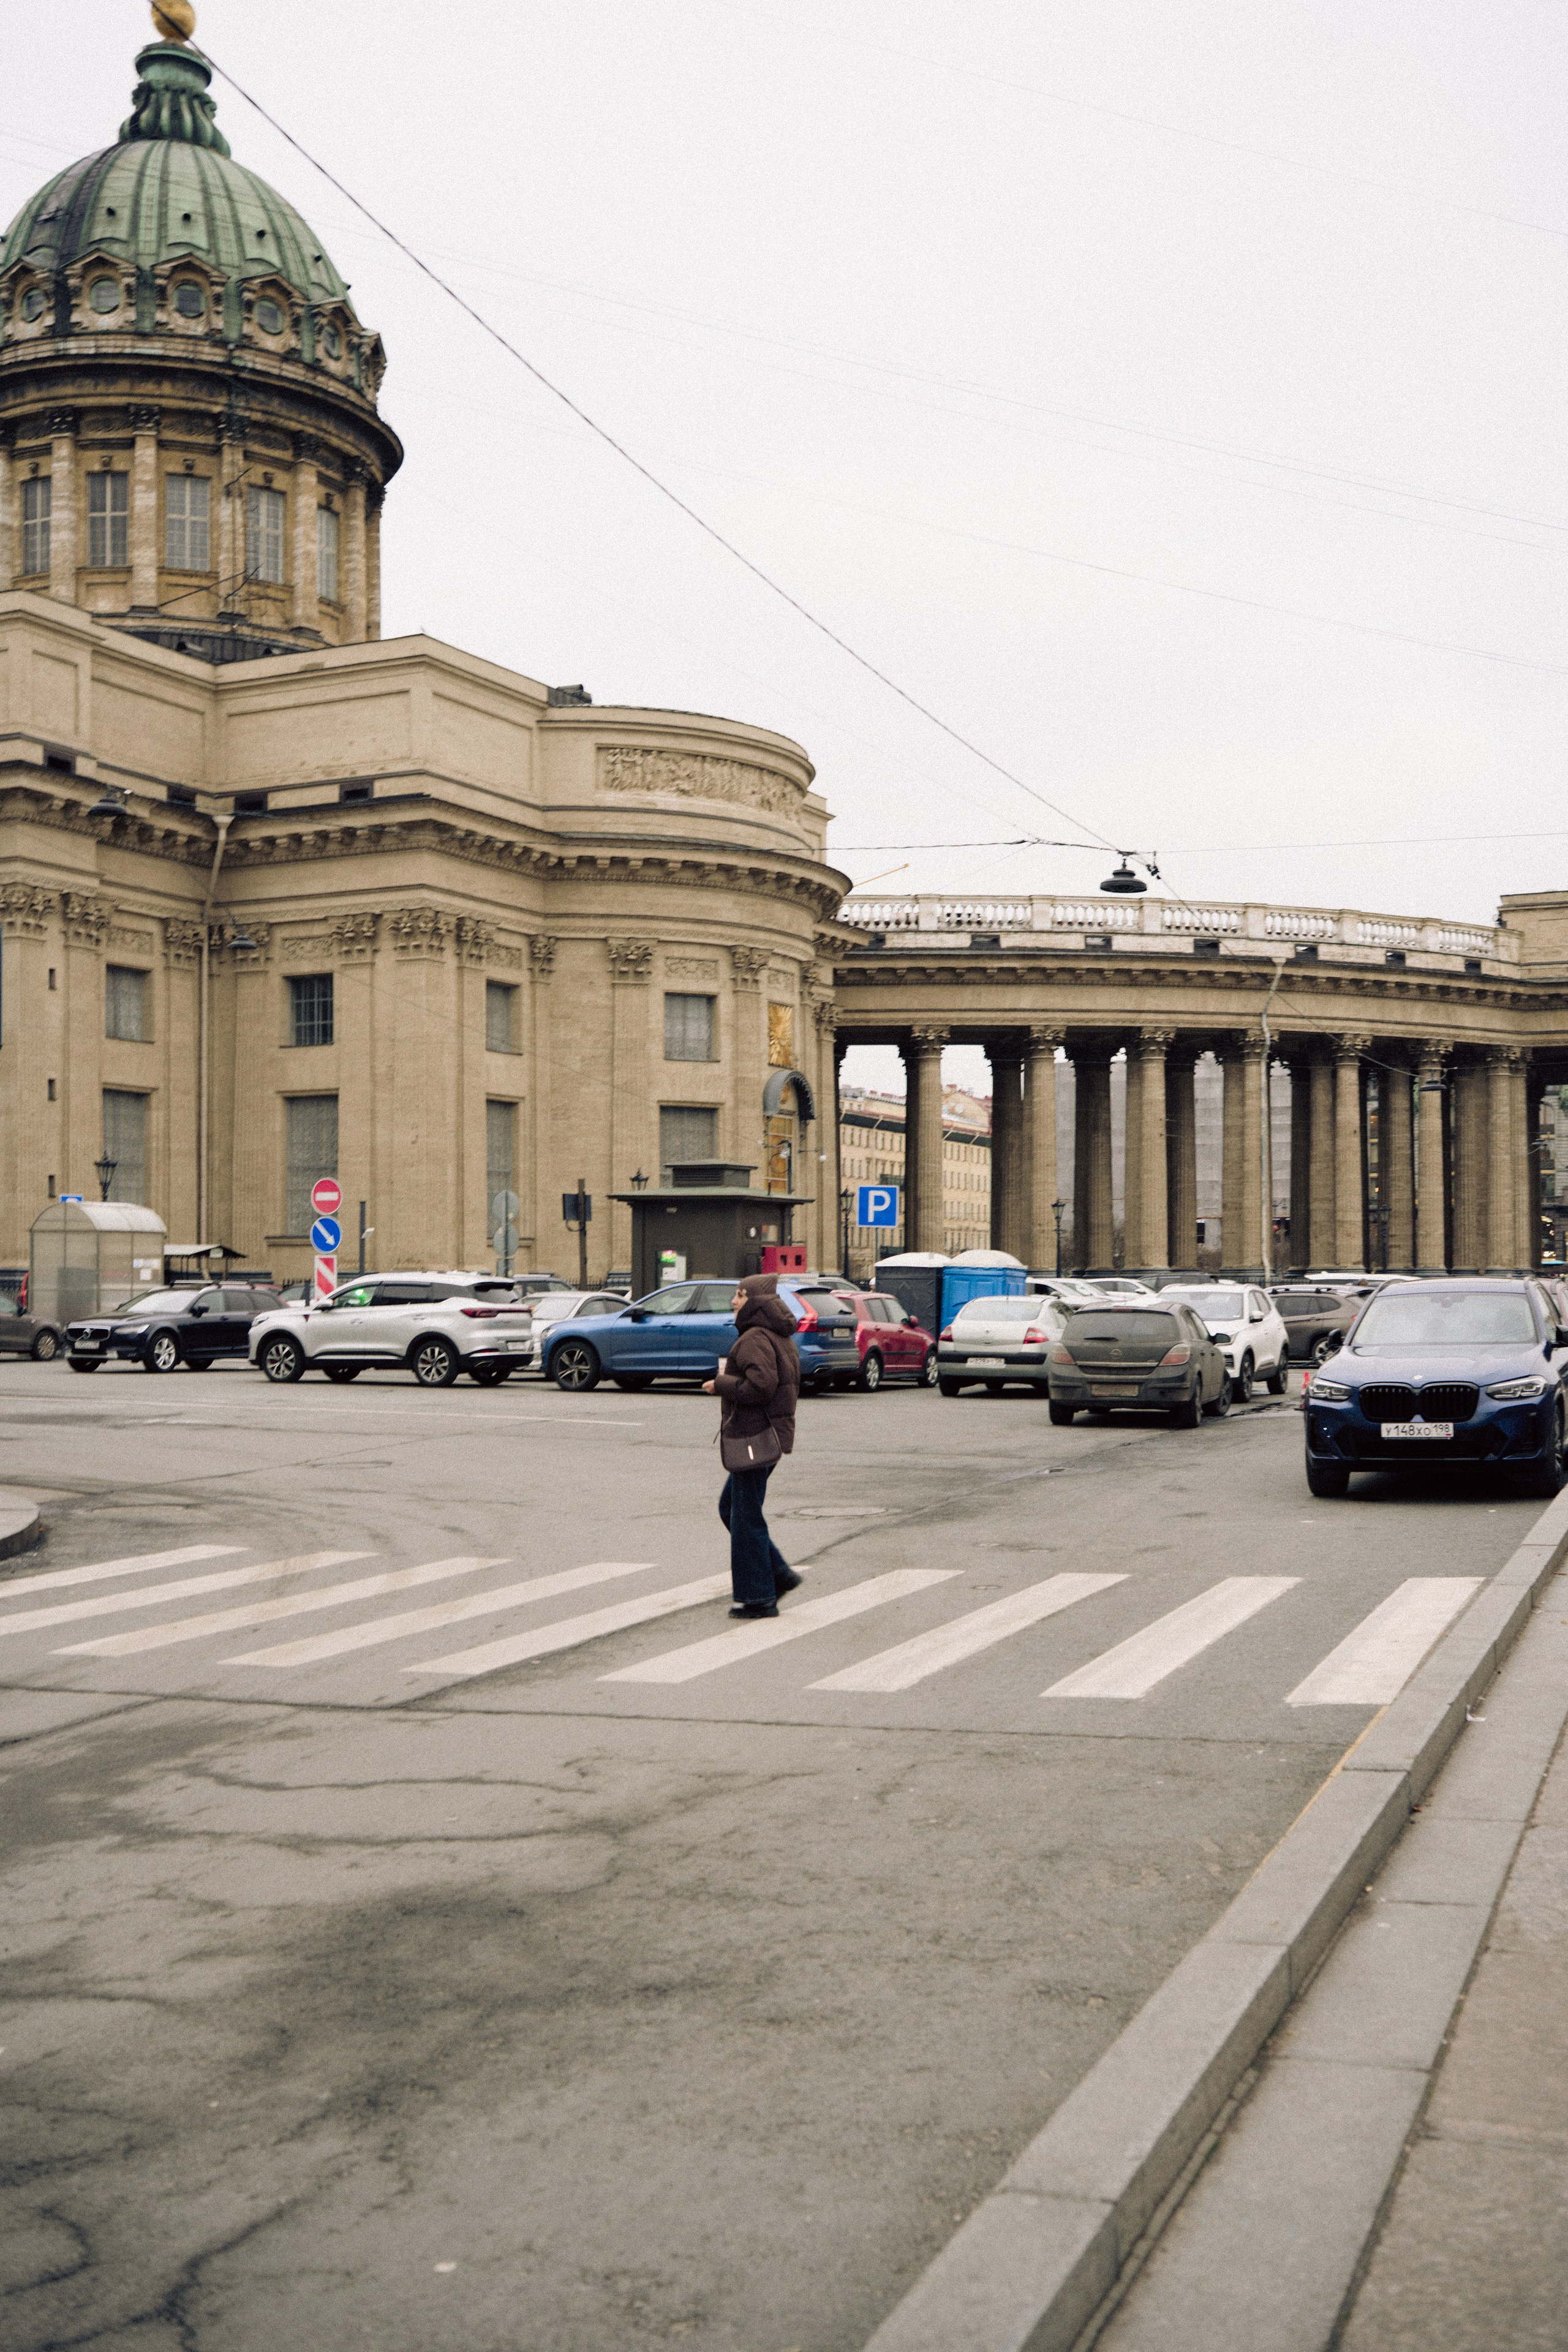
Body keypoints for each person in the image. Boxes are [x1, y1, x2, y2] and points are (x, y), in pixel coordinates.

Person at [704, 1272, 802, 1618]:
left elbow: (760, 1387)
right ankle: (777, 1574)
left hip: (754, 1437)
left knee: (745, 1516)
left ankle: (759, 1598)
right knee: (731, 1507)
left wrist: (720, 1384)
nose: (734, 1301)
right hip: (767, 1434)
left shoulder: (756, 1337)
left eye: (740, 1295)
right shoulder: (774, 1334)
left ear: (756, 1302)